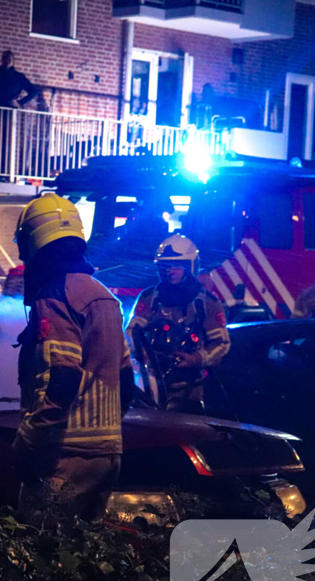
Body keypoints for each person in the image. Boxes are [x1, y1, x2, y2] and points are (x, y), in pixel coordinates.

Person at [13, 195, 135, 527]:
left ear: (33, 240)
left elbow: (62, 378)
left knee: (39, 556)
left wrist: (28, 439)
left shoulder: (55, 296)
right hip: (107, 454)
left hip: (64, 455)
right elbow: (127, 383)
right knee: (84, 561)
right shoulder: (103, 296)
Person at [126, 235, 230, 414]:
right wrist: (142, 355)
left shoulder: (207, 303)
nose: (169, 271)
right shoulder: (149, 298)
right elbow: (130, 334)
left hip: (189, 389)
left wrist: (197, 359)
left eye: (176, 266)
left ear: (190, 267)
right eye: (164, 266)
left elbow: (222, 344)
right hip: (150, 386)